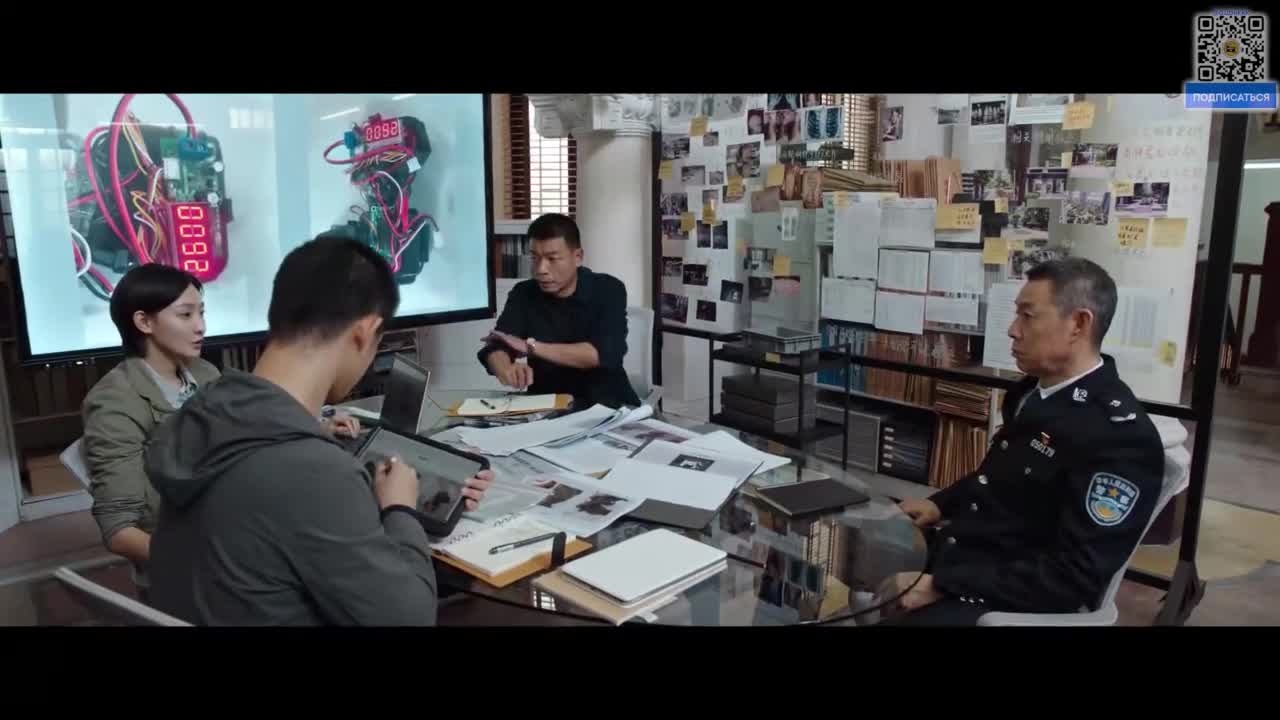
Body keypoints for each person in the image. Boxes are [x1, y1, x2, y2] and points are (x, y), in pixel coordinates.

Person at [143, 235, 492, 625]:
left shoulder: (203, 414)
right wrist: (399, 509)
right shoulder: (312, 471)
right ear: (364, 332)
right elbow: (410, 619)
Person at [879, 258, 1164, 626]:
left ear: (1079, 323)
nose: (1012, 330)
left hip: (1011, 599)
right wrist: (939, 503)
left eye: (1028, 316)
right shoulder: (1033, 391)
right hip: (968, 555)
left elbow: (1073, 577)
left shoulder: (1120, 437)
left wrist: (943, 585)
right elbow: (1001, 479)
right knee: (862, 556)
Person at [81, 265, 363, 600]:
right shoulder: (114, 402)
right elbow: (120, 532)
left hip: (240, 529)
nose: (200, 326)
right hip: (193, 571)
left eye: (201, 313)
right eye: (185, 315)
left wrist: (315, 427)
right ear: (144, 322)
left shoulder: (203, 372)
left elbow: (250, 428)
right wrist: (213, 566)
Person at [479, 213, 641, 409]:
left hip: (607, 404)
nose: (541, 269)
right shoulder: (524, 293)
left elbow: (602, 354)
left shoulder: (608, 289)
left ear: (578, 257)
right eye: (534, 257)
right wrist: (505, 368)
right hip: (546, 405)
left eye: (552, 258)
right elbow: (496, 345)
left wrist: (531, 347)